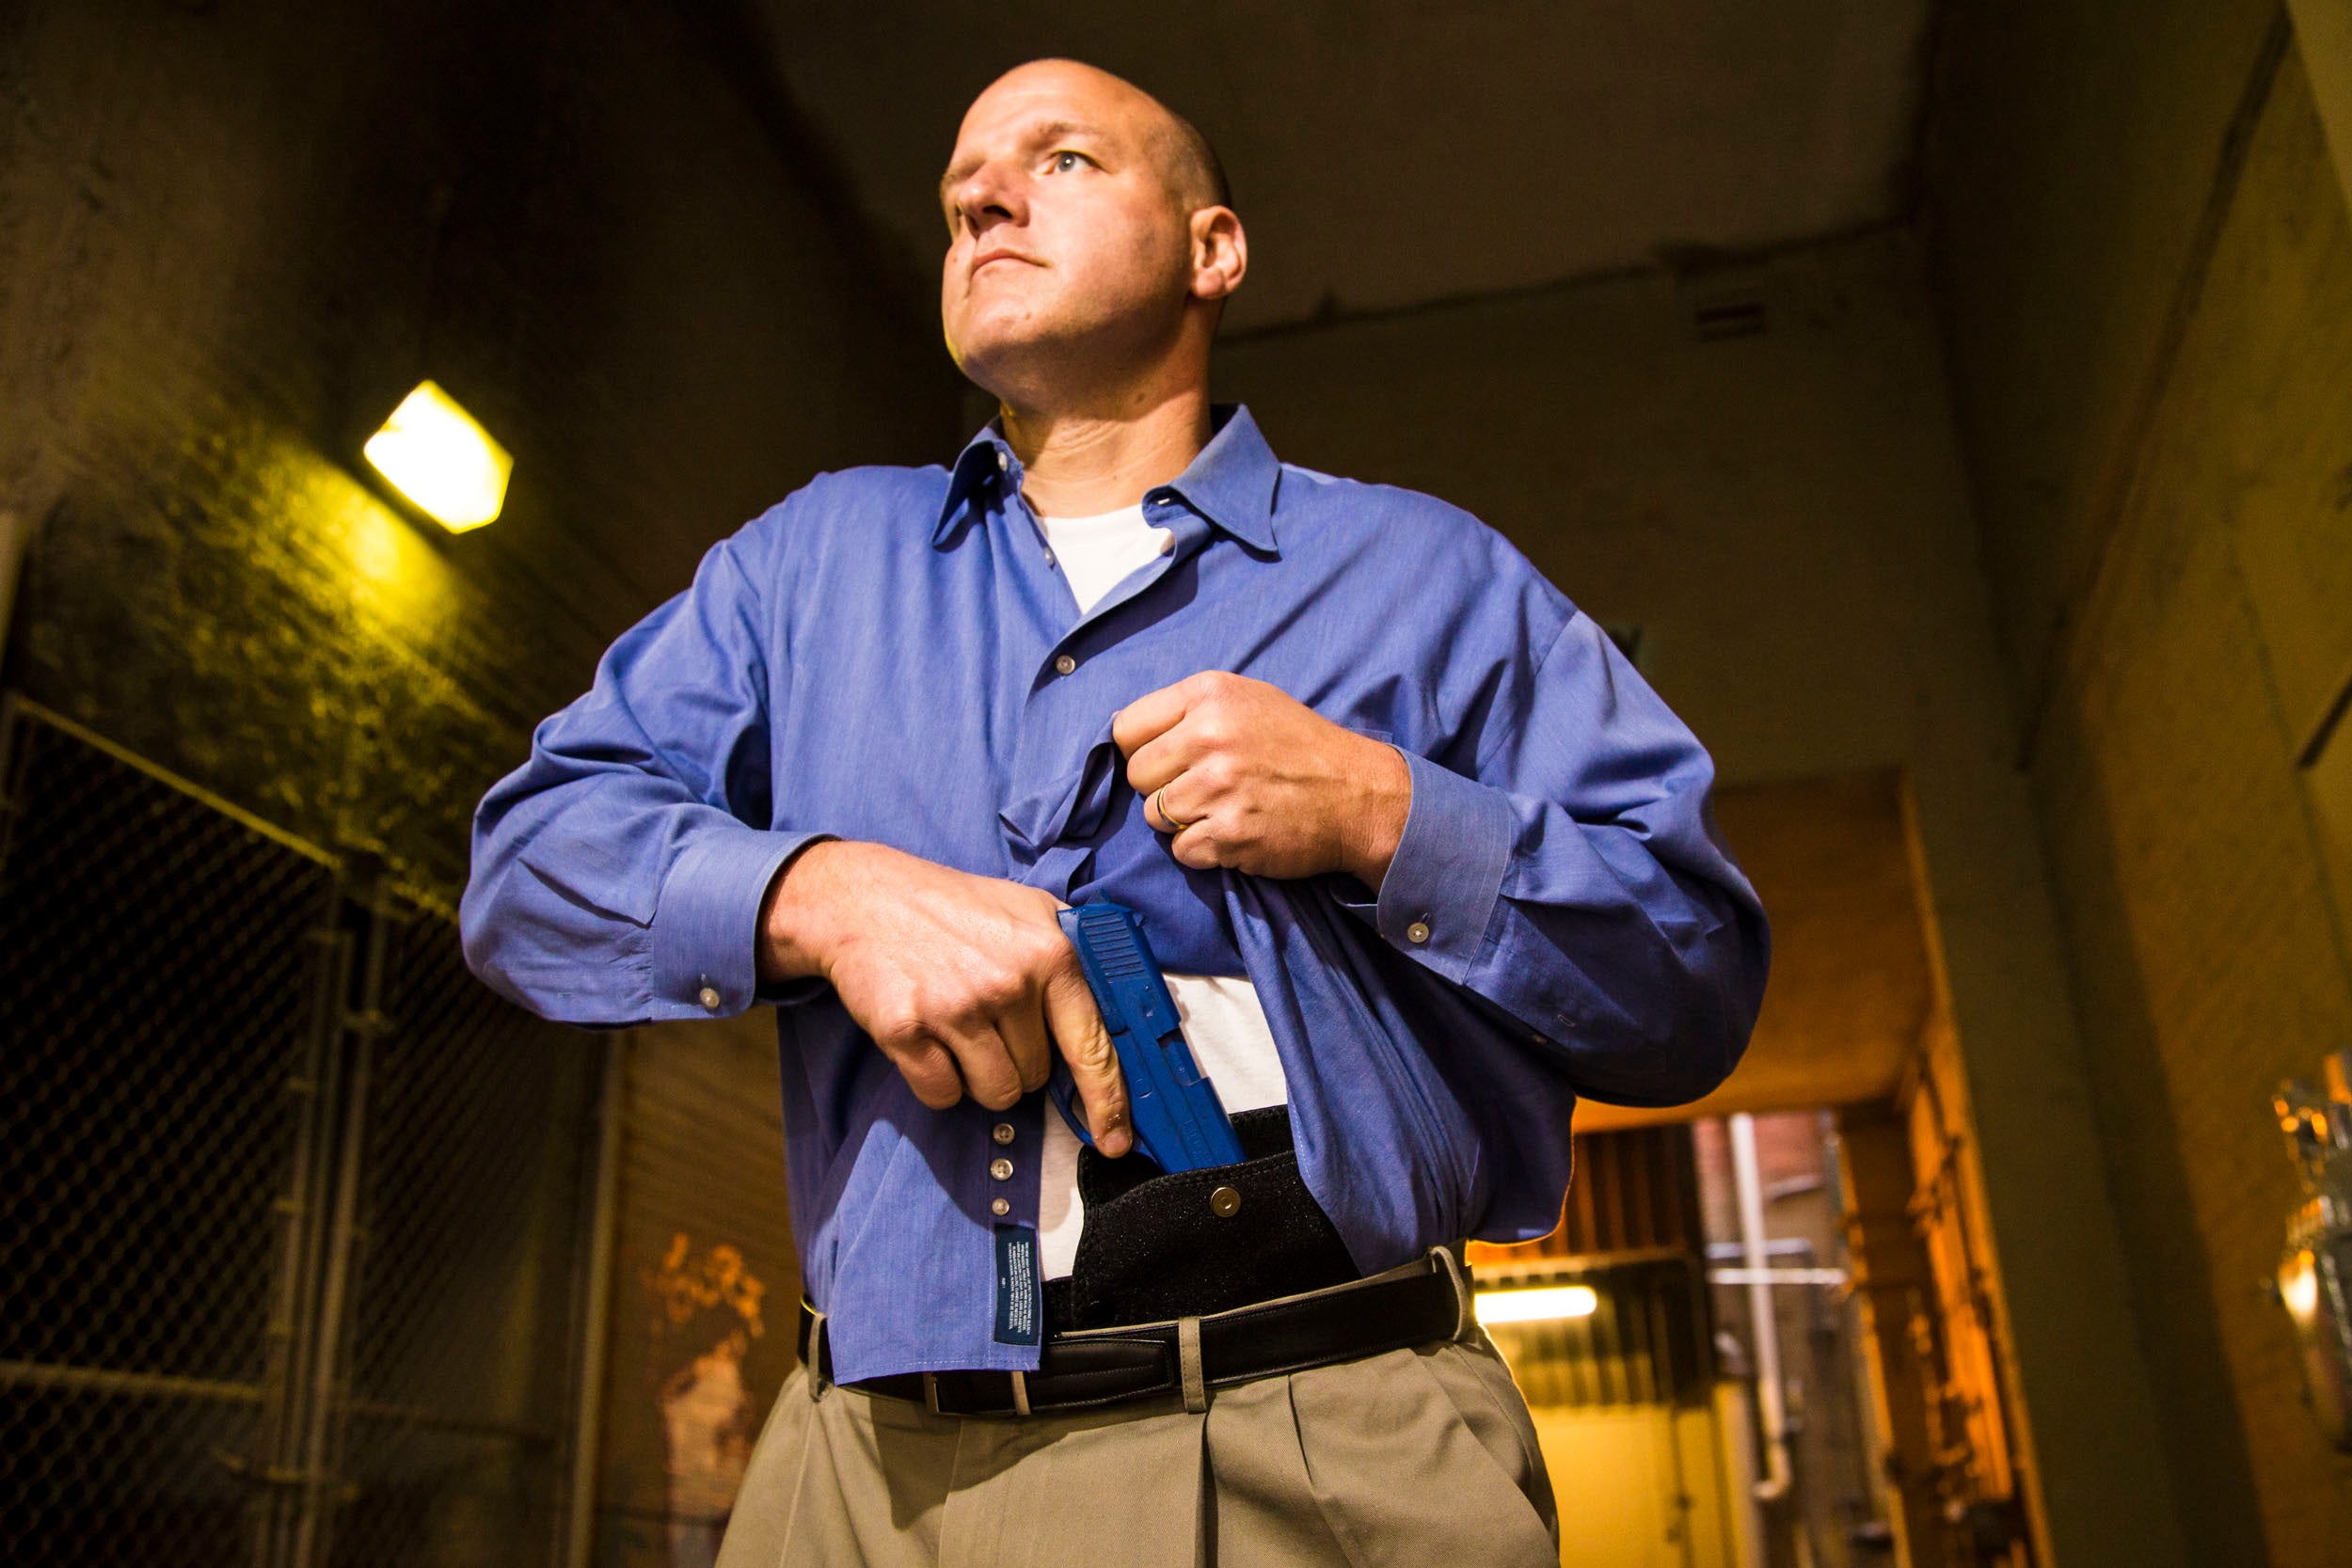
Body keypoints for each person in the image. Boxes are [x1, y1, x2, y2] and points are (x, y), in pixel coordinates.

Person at [463, 56, 1769, 1567]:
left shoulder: (1437, 580)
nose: (982, 197)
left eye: (1062, 158)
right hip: (859, 1486)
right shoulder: (807, 564)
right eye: (963, 189)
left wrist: (1384, 811)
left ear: (1215, 248)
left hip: (1326, 1449)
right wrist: (824, 895)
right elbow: (528, 865)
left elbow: (1693, 980)